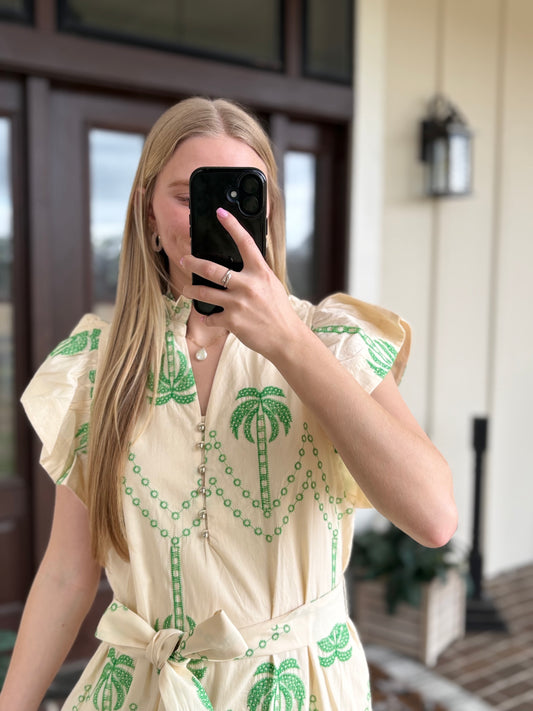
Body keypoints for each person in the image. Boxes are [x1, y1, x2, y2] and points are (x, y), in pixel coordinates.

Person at [0, 97, 457, 711]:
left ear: (268, 215)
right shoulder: (97, 368)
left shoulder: (332, 341)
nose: (214, 216)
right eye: (188, 195)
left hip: (297, 691)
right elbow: (65, 573)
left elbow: (434, 517)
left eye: (241, 195)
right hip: (143, 691)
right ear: (147, 213)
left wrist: (289, 343)